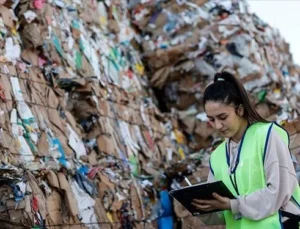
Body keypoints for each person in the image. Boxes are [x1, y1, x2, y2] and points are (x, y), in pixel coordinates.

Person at [191, 71, 300, 228]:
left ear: (240, 110)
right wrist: (202, 207)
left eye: (223, 117)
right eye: (211, 120)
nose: (217, 126)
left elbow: (279, 192)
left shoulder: (268, 135)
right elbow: (221, 215)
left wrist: (233, 204)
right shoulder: (217, 156)